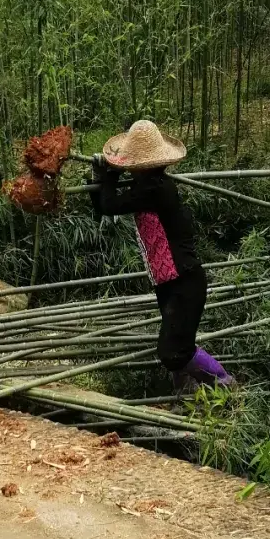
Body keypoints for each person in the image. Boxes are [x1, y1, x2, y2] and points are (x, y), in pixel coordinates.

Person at [87, 119, 235, 395]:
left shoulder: (154, 189)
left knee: (173, 352)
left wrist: (106, 177)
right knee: (177, 346)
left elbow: (109, 204)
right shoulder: (151, 185)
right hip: (170, 280)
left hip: (184, 281)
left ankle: (227, 386)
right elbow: (108, 205)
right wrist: (105, 178)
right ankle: (186, 398)